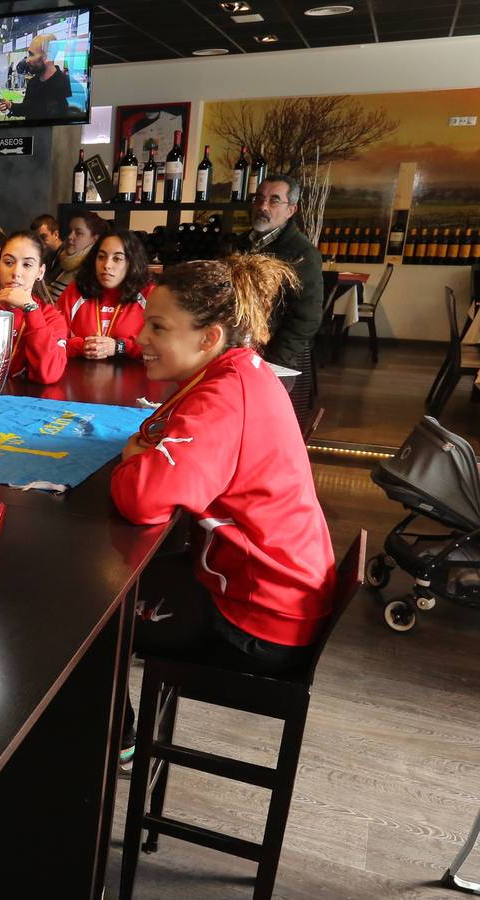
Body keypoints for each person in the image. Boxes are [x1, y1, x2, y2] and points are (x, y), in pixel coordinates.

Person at [110, 254, 335, 761]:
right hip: (274, 590)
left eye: (158, 326)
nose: (141, 337)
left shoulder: (225, 396)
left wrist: (132, 462)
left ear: (209, 337)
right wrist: (145, 450)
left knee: (88, 615)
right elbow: (159, 438)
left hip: (259, 620)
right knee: (107, 587)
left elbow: (143, 501)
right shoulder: (240, 368)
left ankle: (114, 741)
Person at [248, 175, 324, 418]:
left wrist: (274, 362)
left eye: (274, 200)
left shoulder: (302, 254)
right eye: (259, 198)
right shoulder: (243, 244)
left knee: (269, 425)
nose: (263, 206)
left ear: (291, 210)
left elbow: (307, 317)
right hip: (243, 354)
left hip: (276, 360)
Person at [0, 229, 67, 384]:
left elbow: (49, 374)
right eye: (9, 262)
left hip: (25, 403)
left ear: (40, 272)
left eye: (27, 265)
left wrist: (31, 310)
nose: (16, 272)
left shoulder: (51, 317)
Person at [56, 231, 155, 360]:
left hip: (135, 376)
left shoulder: (150, 294)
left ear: (132, 263)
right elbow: (54, 341)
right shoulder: (77, 289)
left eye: (117, 259)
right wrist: (82, 346)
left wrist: (119, 347)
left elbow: (161, 346)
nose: (107, 265)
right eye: (101, 257)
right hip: (79, 375)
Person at [0, 33, 73, 121]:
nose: (27, 60)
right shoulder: (32, 83)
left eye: (31, 54)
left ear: (47, 56)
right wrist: (11, 106)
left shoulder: (67, 85)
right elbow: (28, 108)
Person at [46, 212, 107, 303]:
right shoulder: (67, 262)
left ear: (95, 238)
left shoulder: (91, 273)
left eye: (78, 233)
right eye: (70, 231)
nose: (70, 237)